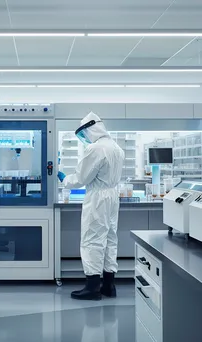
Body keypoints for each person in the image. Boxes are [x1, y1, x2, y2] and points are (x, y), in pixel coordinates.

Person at [58, 112, 124, 300]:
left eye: (84, 134)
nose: (85, 138)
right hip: (112, 196)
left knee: (92, 239)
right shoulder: (116, 147)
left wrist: (64, 179)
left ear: (91, 129)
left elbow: (81, 178)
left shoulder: (96, 149)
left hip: (98, 199)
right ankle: (109, 285)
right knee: (110, 238)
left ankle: (92, 287)